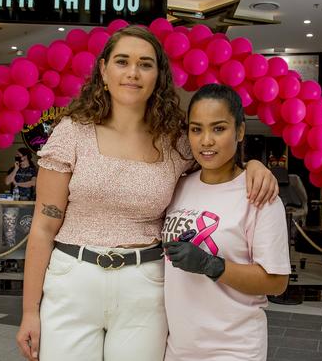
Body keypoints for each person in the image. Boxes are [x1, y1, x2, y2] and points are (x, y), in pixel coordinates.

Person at [15, 26, 279, 361]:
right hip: (72, 280)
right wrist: (29, 312)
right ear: (103, 70)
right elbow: (42, 227)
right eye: (122, 61)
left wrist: (253, 165)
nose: (133, 73)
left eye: (145, 64)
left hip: (145, 286)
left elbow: (218, 161)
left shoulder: (174, 141)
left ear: (158, 75)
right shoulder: (72, 133)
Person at [162, 84, 290, 361]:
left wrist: (211, 265)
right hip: (178, 347)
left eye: (218, 129)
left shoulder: (258, 195)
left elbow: (277, 282)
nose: (206, 140)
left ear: (240, 131)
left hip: (233, 347)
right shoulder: (178, 187)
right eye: (196, 129)